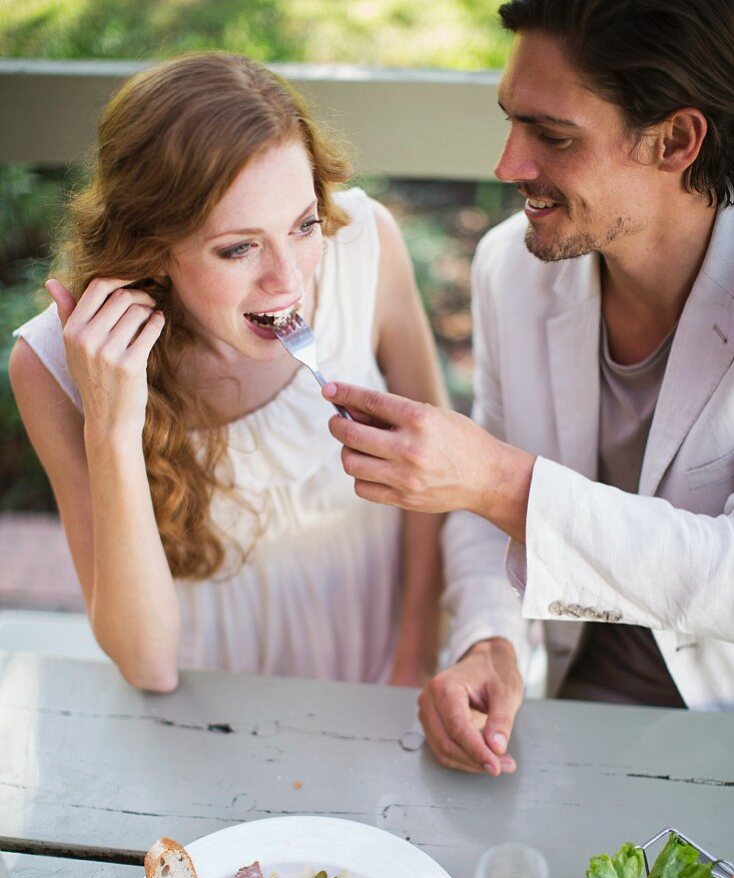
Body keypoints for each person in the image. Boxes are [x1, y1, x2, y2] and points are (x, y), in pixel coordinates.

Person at [322, 0, 734, 773]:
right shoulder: (511, 267)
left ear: (676, 139)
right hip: (573, 711)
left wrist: (496, 479)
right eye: (511, 120)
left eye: (552, 135)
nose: (507, 165)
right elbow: (482, 512)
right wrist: (489, 641)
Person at [10, 53, 447, 692]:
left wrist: (413, 660)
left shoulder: (364, 248)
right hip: (208, 705)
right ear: (154, 250)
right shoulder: (54, 369)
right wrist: (112, 427)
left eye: (303, 226)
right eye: (238, 247)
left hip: (387, 671)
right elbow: (147, 664)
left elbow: (436, 488)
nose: (289, 280)